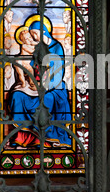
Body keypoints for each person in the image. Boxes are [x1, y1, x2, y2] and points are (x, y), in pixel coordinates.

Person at [8, 15, 72, 148]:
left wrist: (46, 86)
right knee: (17, 96)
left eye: (34, 33)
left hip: (54, 87)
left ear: (43, 32)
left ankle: (45, 139)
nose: (33, 37)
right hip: (35, 84)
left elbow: (58, 72)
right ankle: (22, 137)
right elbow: (30, 67)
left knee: (47, 99)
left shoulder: (56, 47)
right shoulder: (36, 47)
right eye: (31, 34)